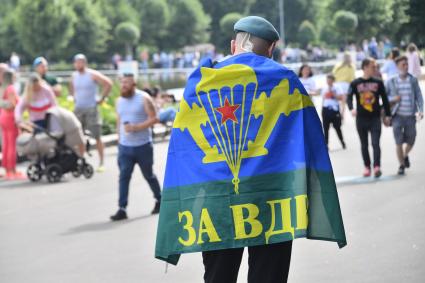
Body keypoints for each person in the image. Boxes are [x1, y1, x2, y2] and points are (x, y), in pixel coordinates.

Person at [110, 73, 161, 221]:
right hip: (125, 148)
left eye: (127, 83)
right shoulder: (119, 101)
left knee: (148, 175)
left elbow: (155, 118)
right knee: (124, 177)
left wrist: (136, 127)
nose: (124, 85)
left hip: (143, 145)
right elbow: (119, 122)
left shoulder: (143, 98)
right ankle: (122, 208)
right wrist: (119, 141)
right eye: (122, 83)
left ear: (134, 85)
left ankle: (160, 199)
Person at [347, 58, 392, 178]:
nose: (375, 69)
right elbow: (349, 97)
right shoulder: (355, 83)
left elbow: (385, 100)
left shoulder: (378, 82)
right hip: (361, 119)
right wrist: (351, 108)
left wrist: (388, 115)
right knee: (364, 144)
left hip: (375, 118)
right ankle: (367, 166)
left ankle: (377, 166)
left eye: (376, 67)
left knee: (375, 143)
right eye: (373, 67)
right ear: (365, 67)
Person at [69, 54, 112, 172]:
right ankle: (81, 160)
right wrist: (73, 97)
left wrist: (102, 98)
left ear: (85, 63)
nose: (78, 64)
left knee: (97, 135)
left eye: (80, 62)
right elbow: (72, 87)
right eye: (76, 62)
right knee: (79, 135)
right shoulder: (74, 75)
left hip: (92, 108)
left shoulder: (92, 74)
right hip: (79, 108)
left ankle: (101, 162)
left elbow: (108, 83)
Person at [386, 56, 424, 175]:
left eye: (407, 64)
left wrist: (421, 110)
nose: (406, 66)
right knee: (398, 142)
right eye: (403, 65)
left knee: (411, 140)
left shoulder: (412, 80)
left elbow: (419, 95)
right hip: (397, 116)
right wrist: (393, 99)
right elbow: (385, 97)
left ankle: (405, 155)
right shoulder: (391, 81)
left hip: (410, 116)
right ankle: (401, 165)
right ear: (397, 67)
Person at [0, 69, 24, 180]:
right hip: (10, 118)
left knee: (6, 145)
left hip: (3, 117)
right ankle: (12, 170)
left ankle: (7, 170)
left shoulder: (3, 88)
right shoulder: (11, 88)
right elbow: (12, 104)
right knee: (12, 146)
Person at [321, 74, 346, 149]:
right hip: (326, 109)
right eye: (327, 80)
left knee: (337, 127)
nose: (328, 81)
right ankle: (326, 145)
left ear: (333, 80)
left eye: (330, 80)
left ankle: (342, 142)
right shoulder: (324, 88)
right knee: (325, 128)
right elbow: (323, 99)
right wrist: (322, 109)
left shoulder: (337, 88)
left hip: (334, 109)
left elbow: (342, 98)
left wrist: (333, 94)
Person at [332, 52, 356, 118]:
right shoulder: (351, 66)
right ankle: (342, 114)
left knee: (338, 100)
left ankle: (338, 113)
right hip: (346, 85)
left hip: (337, 84)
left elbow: (333, 74)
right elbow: (353, 77)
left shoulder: (338, 65)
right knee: (343, 101)